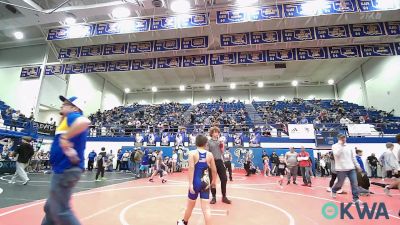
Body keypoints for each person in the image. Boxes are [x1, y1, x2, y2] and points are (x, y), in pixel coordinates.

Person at [41, 95, 90, 225]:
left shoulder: (72, 117)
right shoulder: (66, 121)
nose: (62, 105)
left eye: (66, 104)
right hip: (64, 169)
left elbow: (84, 122)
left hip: (65, 169)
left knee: (61, 211)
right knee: (50, 208)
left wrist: (65, 138)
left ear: (74, 108)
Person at [177, 135, 217, 225]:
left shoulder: (192, 153)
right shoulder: (210, 155)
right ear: (206, 144)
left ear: (196, 143)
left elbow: (191, 168)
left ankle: (184, 222)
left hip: (195, 182)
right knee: (206, 208)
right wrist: (214, 181)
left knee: (190, 205)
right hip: (205, 182)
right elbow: (214, 170)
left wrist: (190, 184)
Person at [331, 134, 363, 204]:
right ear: (338, 138)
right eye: (341, 138)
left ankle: (355, 199)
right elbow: (336, 154)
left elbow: (353, 158)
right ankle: (334, 190)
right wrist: (341, 146)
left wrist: (358, 166)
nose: (343, 139)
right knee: (340, 183)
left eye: (344, 137)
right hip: (341, 169)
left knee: (354, 183)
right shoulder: (334, 146)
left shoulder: (350, 146)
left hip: (351, 168)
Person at [207, 126, 231, 204]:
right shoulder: (209, 142)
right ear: (211, 133)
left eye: (217, 132)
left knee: (224, 178)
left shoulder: (220, 141)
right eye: (214, 132)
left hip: (219, 161)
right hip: (212, 162)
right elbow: (207, 152)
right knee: (212, 180)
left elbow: (222, 151)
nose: (216, 133)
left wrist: (222, 145)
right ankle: (213, 197)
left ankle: (224, 196)